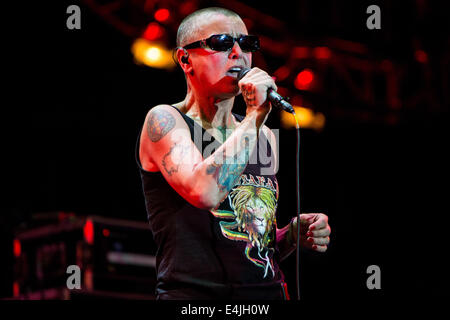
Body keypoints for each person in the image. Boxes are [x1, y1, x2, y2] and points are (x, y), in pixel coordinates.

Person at [136, 7, 331, 300]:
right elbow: (204, 192)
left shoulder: (261, 133)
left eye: (247, 44)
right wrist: (254, 116)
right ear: (185, 59)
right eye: (222, 42)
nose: (238, 53)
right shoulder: (165, 121)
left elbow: (254, 243)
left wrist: (290, 235)